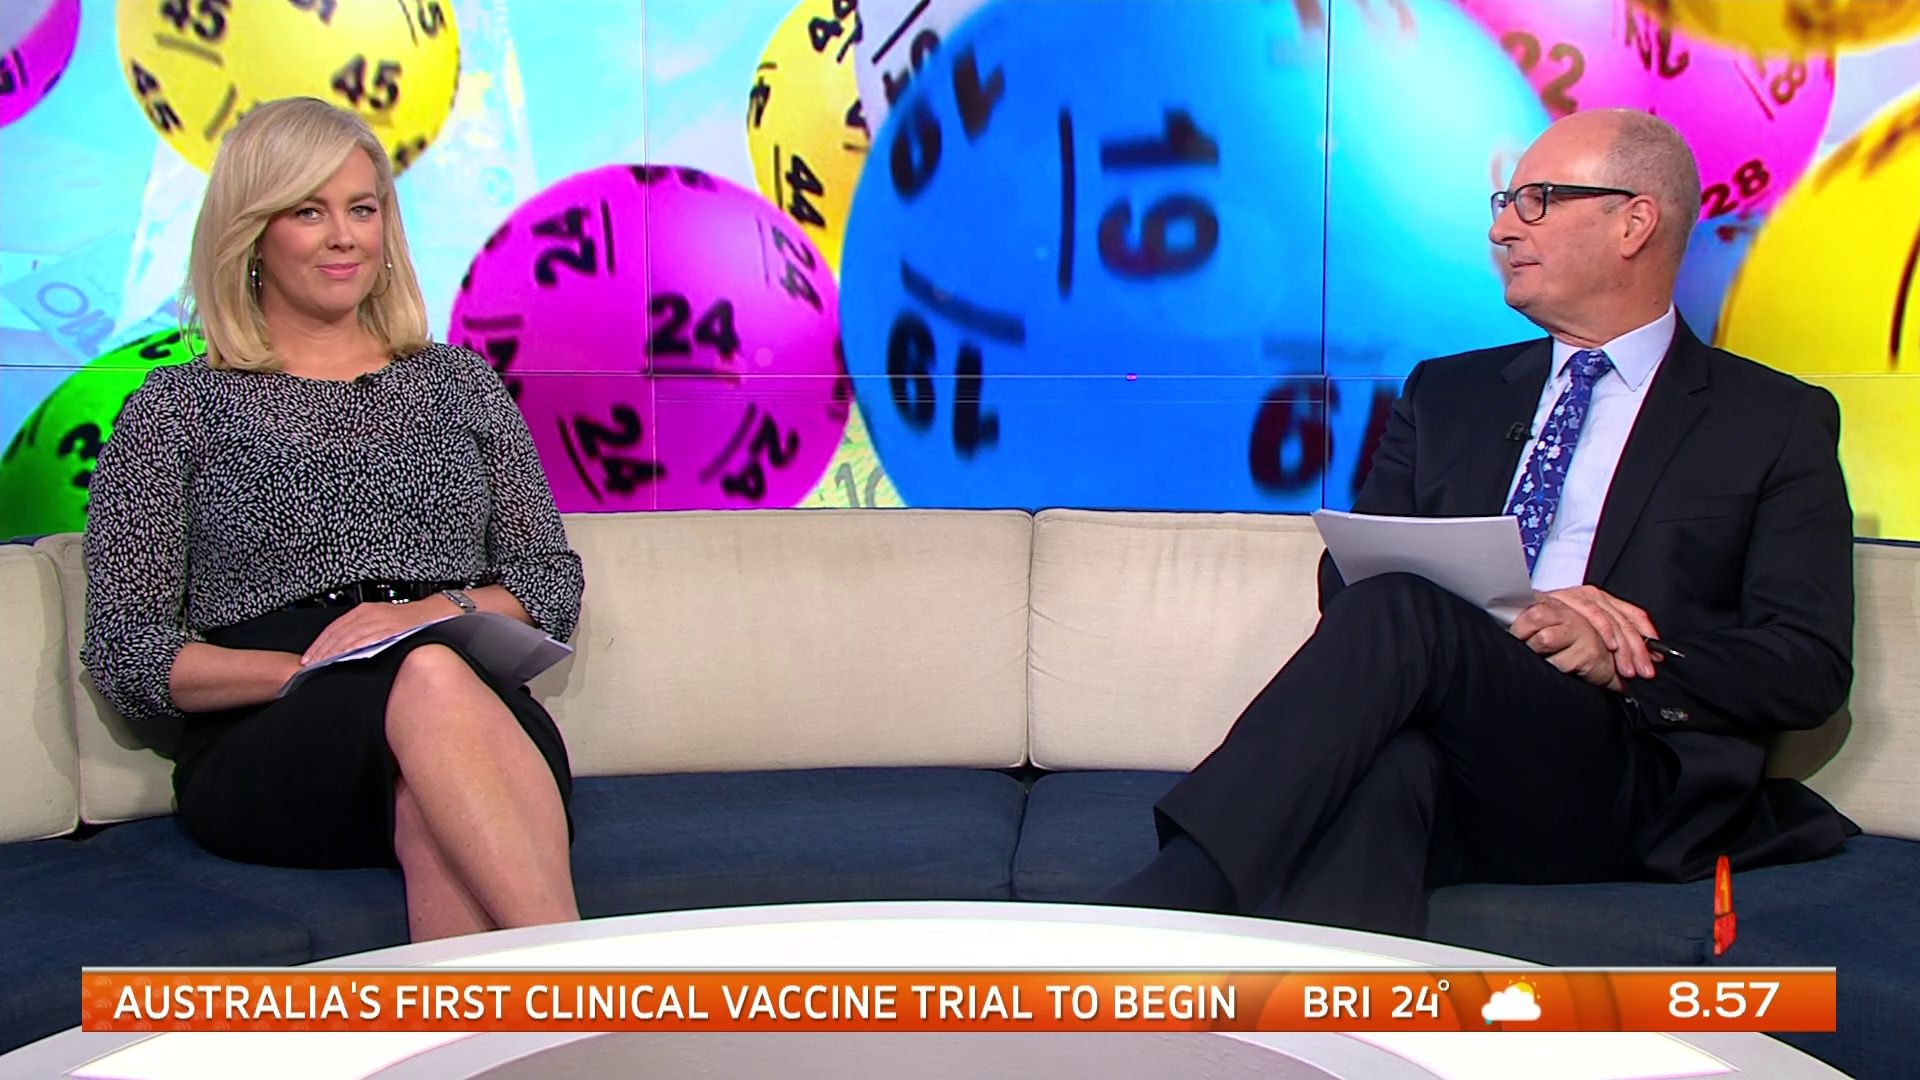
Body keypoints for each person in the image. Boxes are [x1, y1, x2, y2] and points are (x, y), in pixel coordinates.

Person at [1101, 108, 1858, 935]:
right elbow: (1349, 586)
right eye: (1505, 202)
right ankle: (1338, 1009)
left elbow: (1808, 666)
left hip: (1624, 770)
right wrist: (1505, 607)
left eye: (1538, 201)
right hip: (1464, 747)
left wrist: (1621, 659)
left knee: (1404, 614)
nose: (1503, 229)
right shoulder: (1446, 393)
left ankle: (1166, 908)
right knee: (1390, 766)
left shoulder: (1772, 420)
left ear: (1634, 222)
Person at [81, 97, 585, 942]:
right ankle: (582, 986)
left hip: (467, 706)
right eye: (309, 212)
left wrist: (425, 618)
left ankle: (521, 1015)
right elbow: (129, 651)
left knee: (431, 774)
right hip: (272, 730)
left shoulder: (458, 383)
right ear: (253, 234)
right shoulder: (176, 408)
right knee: (427, 687)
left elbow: (549, 582)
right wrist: (309, 670)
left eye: (362, 209)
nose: (344, 237)